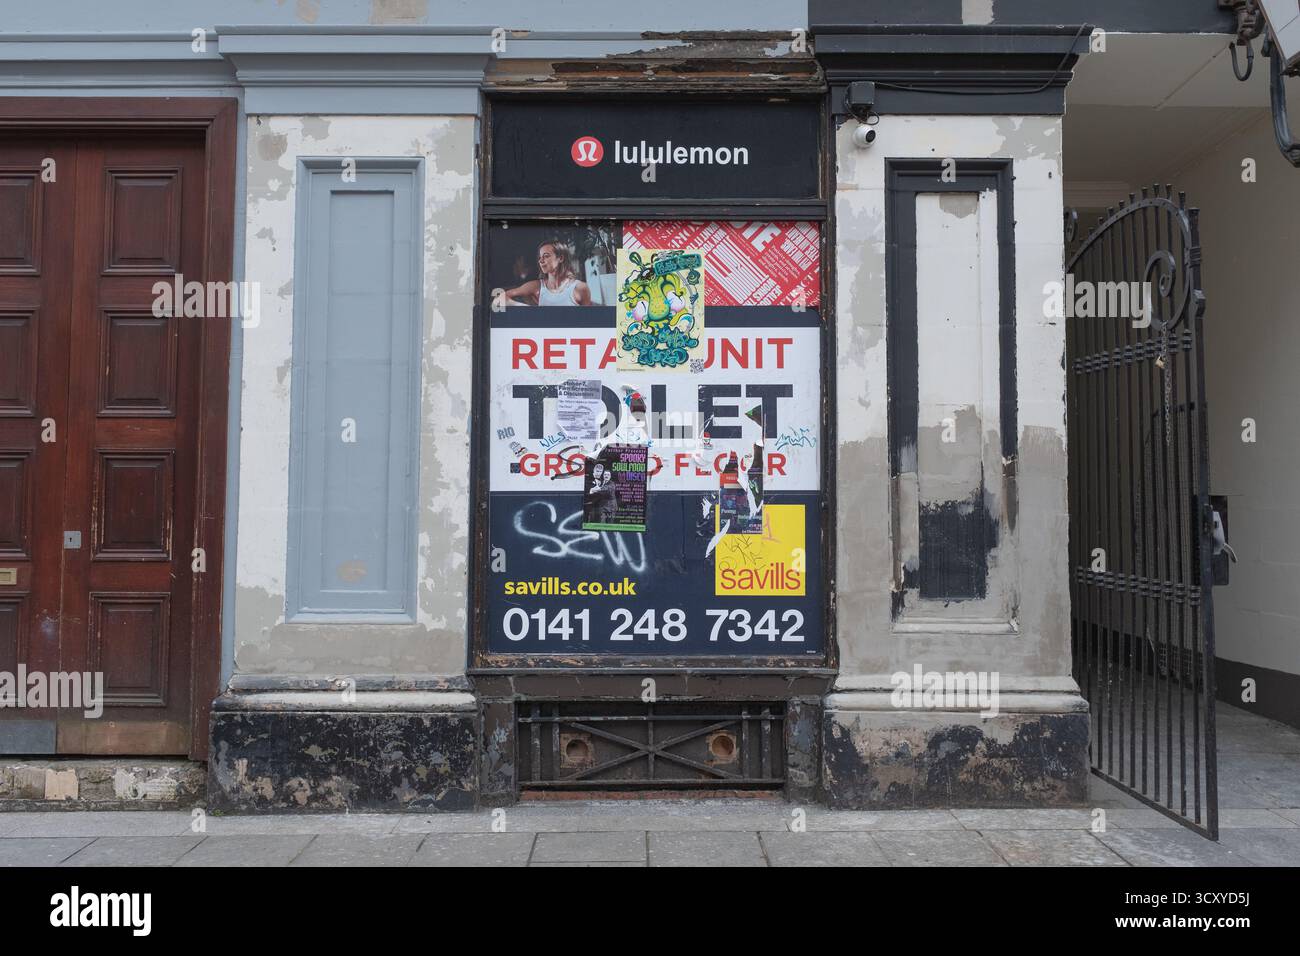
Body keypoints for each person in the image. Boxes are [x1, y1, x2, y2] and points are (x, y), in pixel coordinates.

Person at [503, 239, 592, 306]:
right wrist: (528, 309)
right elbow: (499, 298)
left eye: (546, 256)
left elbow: (589, 323)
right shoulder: (536, 287)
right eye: (540, 257)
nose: (541, 261)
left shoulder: (581, 288)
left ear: (560, 258)